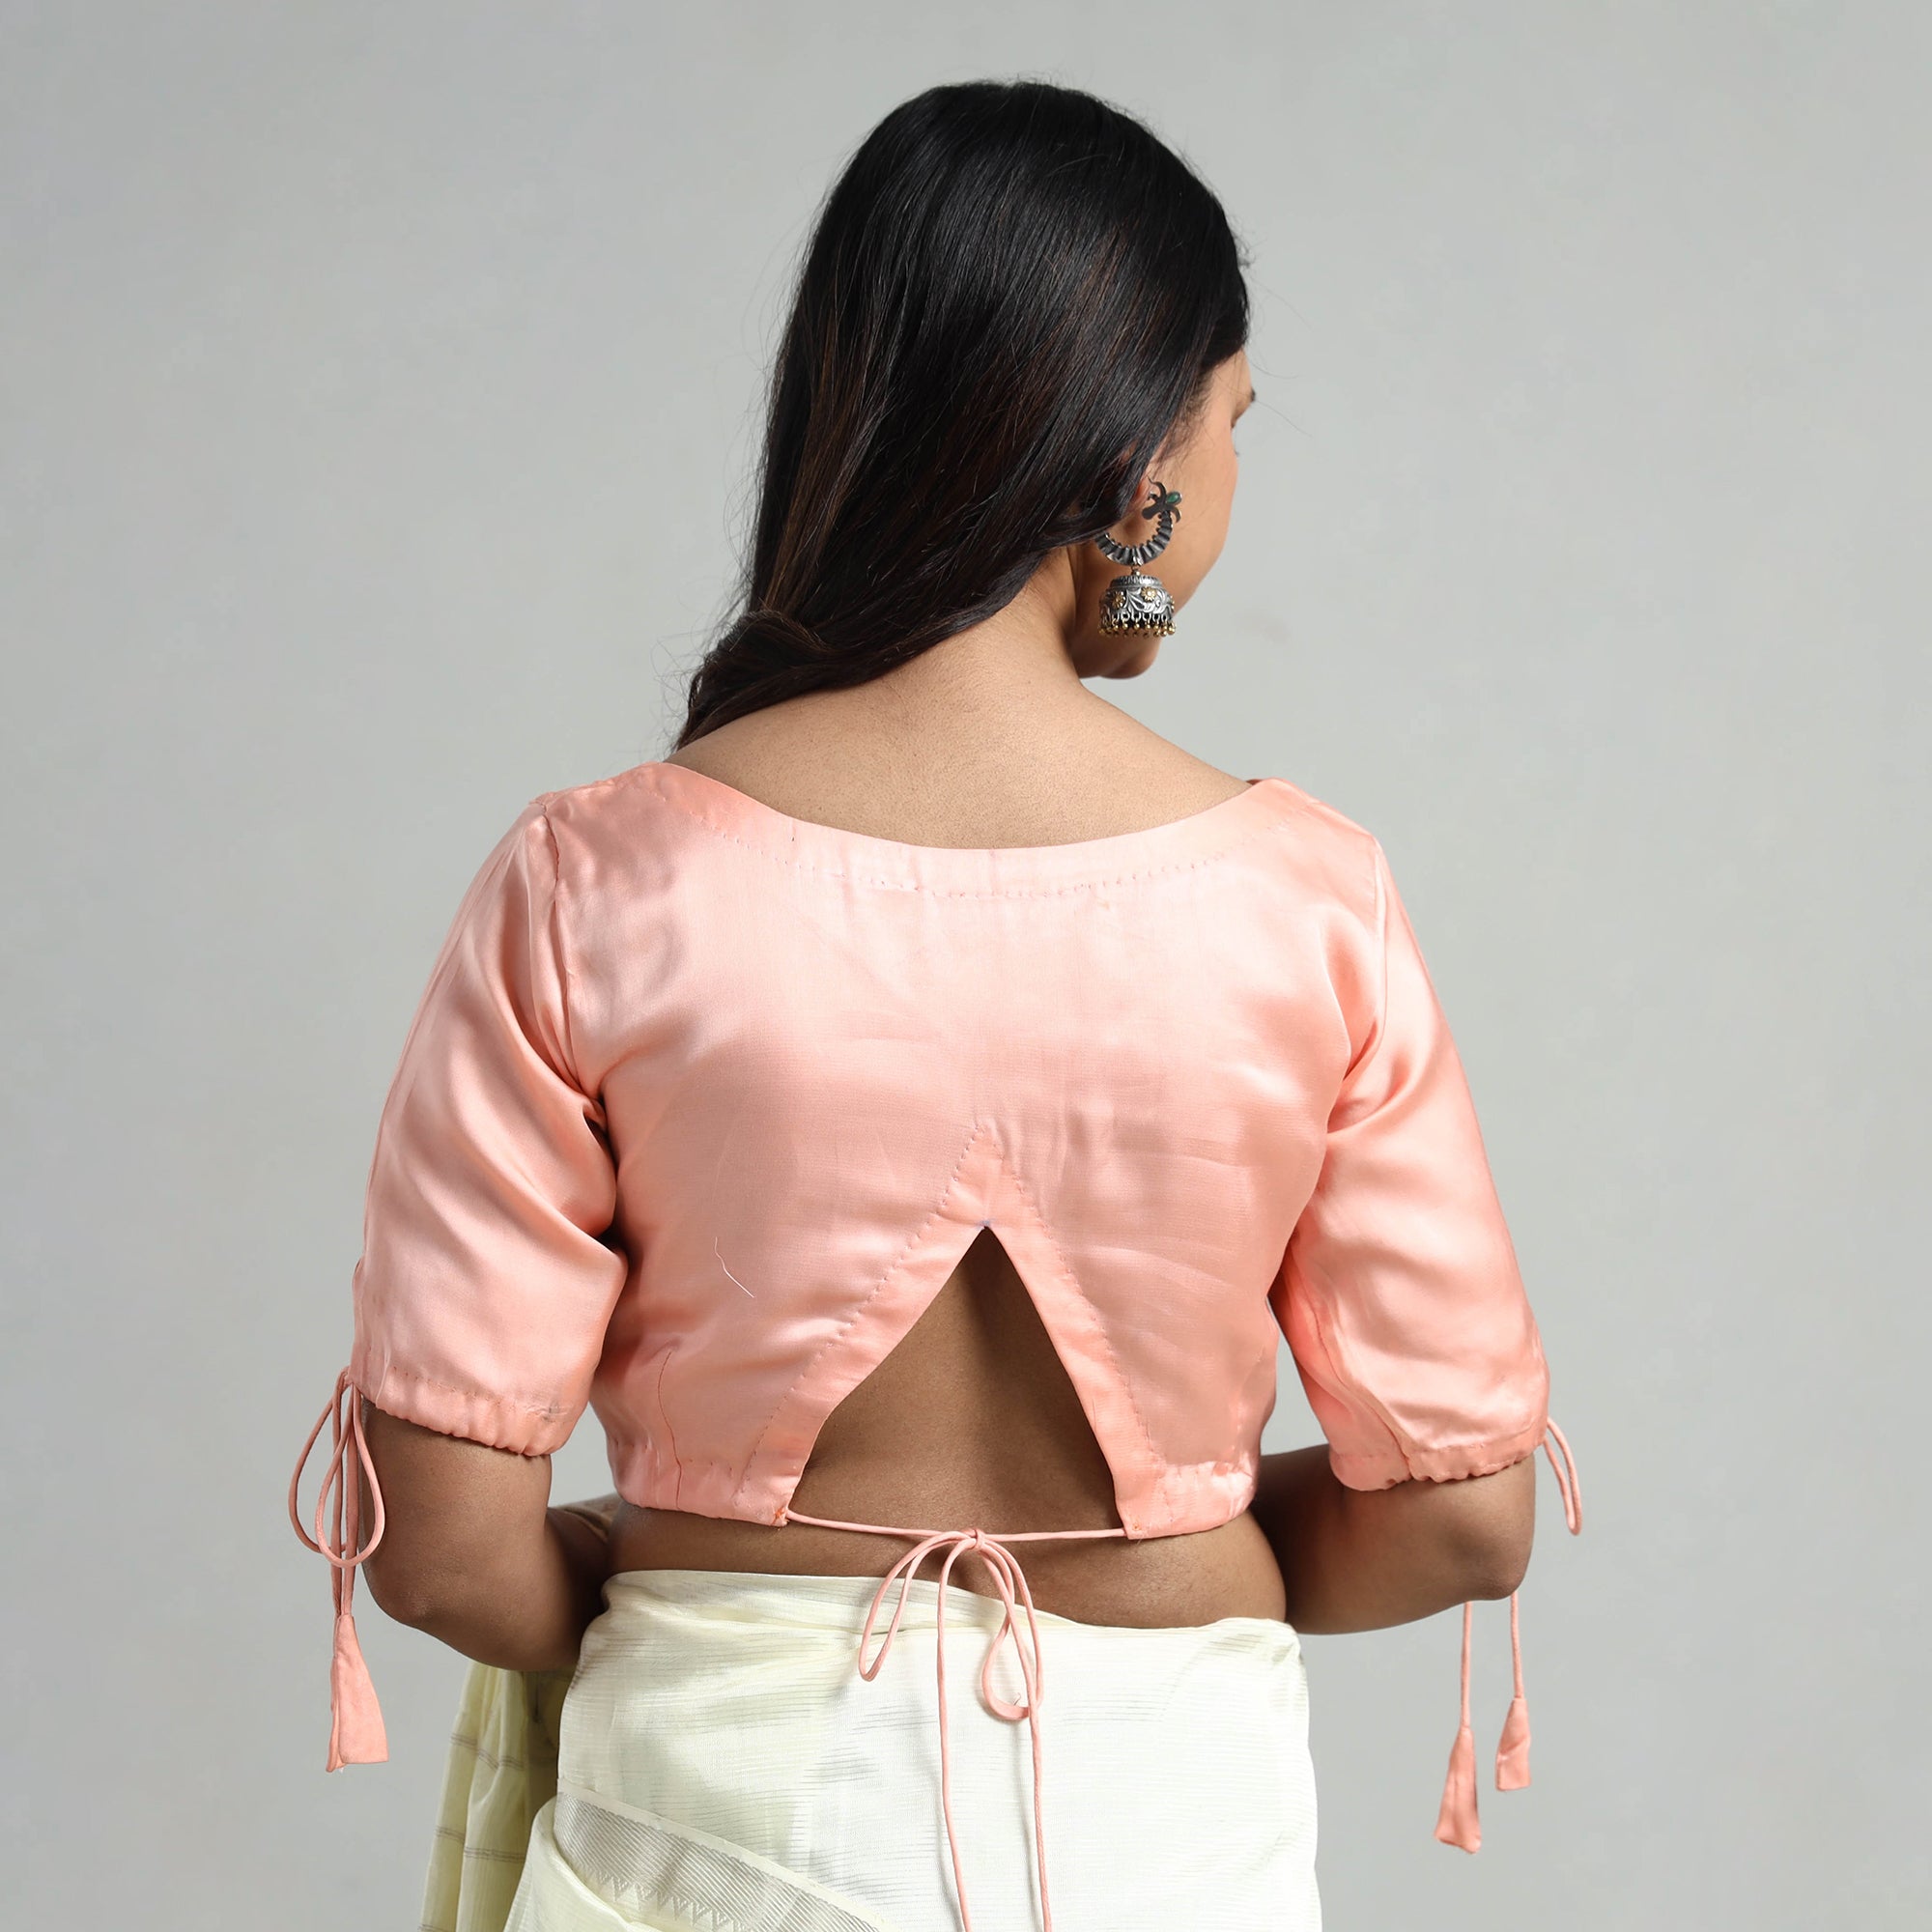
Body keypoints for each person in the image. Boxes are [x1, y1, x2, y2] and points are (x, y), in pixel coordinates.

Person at [288, 77, 1580, 1932]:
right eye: (1231, 427)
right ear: (1138, 469)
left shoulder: (595, 881)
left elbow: (438, 1549)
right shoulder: (1313, 903)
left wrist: (692, 1591)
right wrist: (1177, 1559)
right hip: (1175, 1846)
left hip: (716, 1819)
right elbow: (1461, 1517)